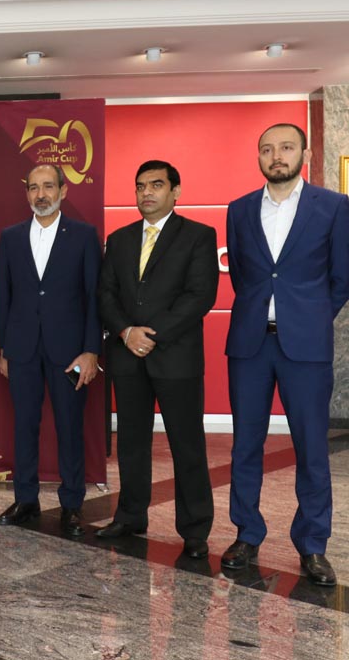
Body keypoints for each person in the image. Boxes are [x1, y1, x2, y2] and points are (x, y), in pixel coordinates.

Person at [223, 123, 349, 586]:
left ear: (305, 153)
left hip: (306, 347)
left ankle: (313, 545)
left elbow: (341, 279)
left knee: (312, 448)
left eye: (286, 148)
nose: (277, 156)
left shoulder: (335, 207)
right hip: (250, 344)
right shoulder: (238, 211)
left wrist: (311, 316)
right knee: (245, 446)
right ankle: (246, 533)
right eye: (268, 149)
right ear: (258, 156)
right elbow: (242, 275)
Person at [97, 160, 217, 559]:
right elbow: (106, 294)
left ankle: (195, 530)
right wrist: (126, 332)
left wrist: (153, 334)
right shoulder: (119, 239)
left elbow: (199, 296)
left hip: (176, 358)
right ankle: (131, 516)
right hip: (128, 356)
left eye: (156, 185)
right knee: (131, 443)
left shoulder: (198, 236)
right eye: (140, 187)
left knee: (187, 446)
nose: (146, 193)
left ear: (176, 191)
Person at [0, 164, 102, 535]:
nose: (41, 194)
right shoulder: (10, 237)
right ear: (26, 193)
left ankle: (72, 504)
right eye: (34, 188)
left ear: (63, 191)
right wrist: (5, 347)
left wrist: (91, 350)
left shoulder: (85, 235)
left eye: (48, 187)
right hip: (22, 348)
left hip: (69, 351)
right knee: (24, 425)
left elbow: (93, 296)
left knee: (70, 427)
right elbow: (3, 296)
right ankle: (26, 499)